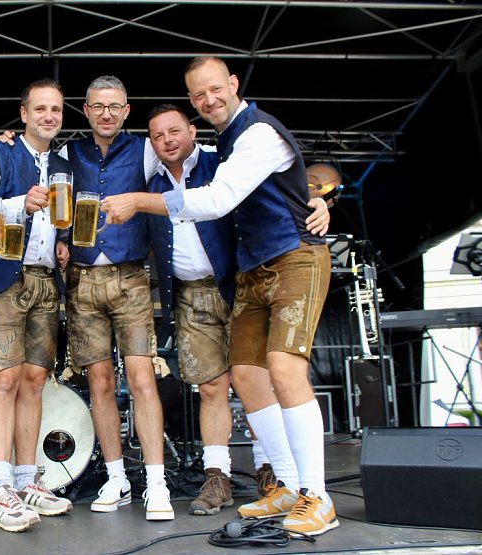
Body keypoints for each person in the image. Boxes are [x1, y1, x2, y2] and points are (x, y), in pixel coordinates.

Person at [100, 57, 338, 537]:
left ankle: (318, 496)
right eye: (199, 94)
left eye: (214, 90)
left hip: (294, 257)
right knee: (248, 378)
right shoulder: (226, 139)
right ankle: (288, 488)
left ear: (232, 84)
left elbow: (219, 199)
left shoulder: (256, 133)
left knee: (285, 369)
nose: (209, 100)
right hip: (250, 271)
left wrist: (320, 202)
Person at [143, 104, 329, 517]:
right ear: (151, 143)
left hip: (239, 280)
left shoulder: (221, 159)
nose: (168, 140)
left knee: (267, 377)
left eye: (175, 131)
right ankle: (218, 476)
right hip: (190, 293)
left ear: (193, 131)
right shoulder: (148, 175)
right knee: (214, 387)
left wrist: (315, 201)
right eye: (158, 136)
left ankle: (277, 476)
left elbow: (274, 183)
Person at [60, 75, 174, 521]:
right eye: (97, 106)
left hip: (131, 278)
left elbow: (193, 161)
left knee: (143, 380)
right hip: (82, 279)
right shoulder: (69, 152)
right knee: (100, 383)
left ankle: (157, 482)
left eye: (114, 106)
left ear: (126, 111)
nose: (106, 113)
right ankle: (116, 477)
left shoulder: (146, 148)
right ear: (86, 111)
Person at [0, 78, 73, 533]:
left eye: (56, 110)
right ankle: (0, 484)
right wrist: (18, 204)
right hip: (4, 278)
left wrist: (64, 242)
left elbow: (62, 220)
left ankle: (30, 479)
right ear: (24, 113)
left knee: (34, 380)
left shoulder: (65, 162)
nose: (49, 116)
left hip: (46, 279)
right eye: (41, 109)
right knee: (4, 380)